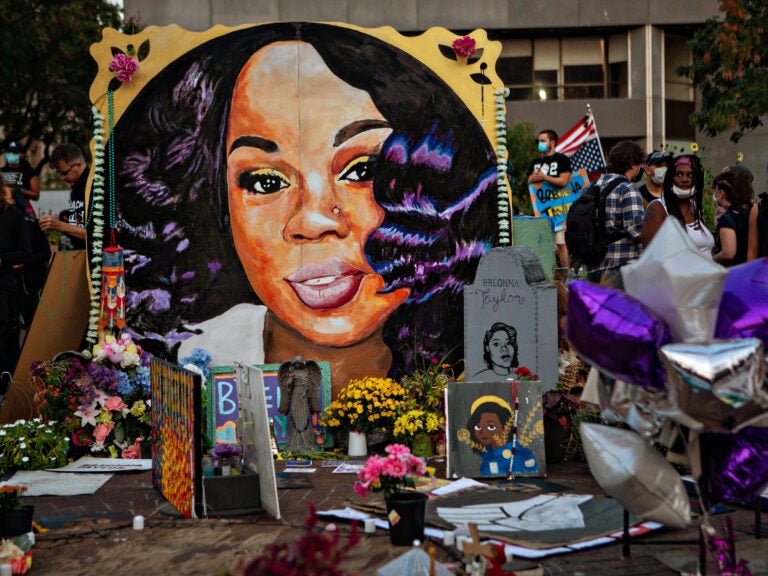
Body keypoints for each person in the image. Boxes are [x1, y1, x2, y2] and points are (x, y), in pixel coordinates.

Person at [106, 24, 500, 390]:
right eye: (265, 181)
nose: (311, 221)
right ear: (218, 204)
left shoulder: (477, 365)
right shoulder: (195, 362)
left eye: (364, 168)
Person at [584, 141, 645, 289]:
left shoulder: (589, 188)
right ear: (632, 164)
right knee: (621, 311)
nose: (640, 169)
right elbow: (636, 232)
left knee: (600, 311)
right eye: (639, 164)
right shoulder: (627, 189)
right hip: (621, 265)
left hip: (593, 266)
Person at [641, 155, 715, 258]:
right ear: (670, 177)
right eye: (679, 174)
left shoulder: (694, 206)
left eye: (690, 175)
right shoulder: (658, 208)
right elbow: (651, 257)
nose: (685, 179)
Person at [5, 184, 50, 331]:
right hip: (7, 285)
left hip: (29, 285)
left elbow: (45, 253)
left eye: (5, 196)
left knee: (34, 327)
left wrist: (24, 262)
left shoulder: (30, 224)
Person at [0, 177, 31, 384]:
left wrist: (3, 259)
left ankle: (6, 376)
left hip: (4, 285)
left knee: (5, 332)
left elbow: (25, 252)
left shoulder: (14, 216)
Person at [528, 129, 572, 268]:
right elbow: (529, 183)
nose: (539, 144)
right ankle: (548, 275)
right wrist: (531, 179)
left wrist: (544, 177)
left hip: (559, 210)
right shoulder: (535, 162)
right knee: (545, 246)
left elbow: (564, 181)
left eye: (543, 141)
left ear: (552, 142)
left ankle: (566, 276)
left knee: (561, 244)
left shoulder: (562, 160)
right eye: (538, 141)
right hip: (542, 210)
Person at [464, 394, 539, 476]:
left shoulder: (521, 455)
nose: (482, 432)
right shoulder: (487, 456)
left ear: (505, 427)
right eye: (478, 427)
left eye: (491, 427)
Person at [40, 144, 88, 251]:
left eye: (65, 173)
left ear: (78, 165)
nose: (62, 178)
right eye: (59, 174)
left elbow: (98, 235)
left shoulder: (96, 188)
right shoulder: (75, 188)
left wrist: (60, 226)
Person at [712, 169, 753, 267]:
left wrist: (711, 259)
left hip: (734, 272)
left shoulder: (727, 218)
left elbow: (728, 253)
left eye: (715, 190)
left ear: (721, 193)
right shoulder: (751, 211)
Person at [2, 141, 40, 218]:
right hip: (4, 207)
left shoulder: (29, 171)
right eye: (9, 152)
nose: (11, 154)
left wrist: (18, 191)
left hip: (23, 207)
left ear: (22, 155)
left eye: (14, 152)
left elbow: (36, 196)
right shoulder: (2, 171)